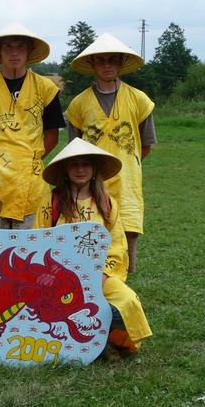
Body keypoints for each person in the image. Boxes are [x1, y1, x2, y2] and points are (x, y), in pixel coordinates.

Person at [42, 138, 152, 358]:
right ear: (65, 170)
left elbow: (117, 245)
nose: (80, 169)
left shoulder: (107, 202)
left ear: (94, 169)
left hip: (100, 276)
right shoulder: (50, 202)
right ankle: (76, 343)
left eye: (86, 164)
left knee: (127, 303)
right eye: (74, 164)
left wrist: (102, 275)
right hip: (60, 280)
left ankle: (104, 339)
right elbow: (39, 242)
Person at [65, 32, 157, 273]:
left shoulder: (139, 100)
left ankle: (122, 293)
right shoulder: (78, 104)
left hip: (127, 183)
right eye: (101, 60)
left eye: (112, 60)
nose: (107, 65)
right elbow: (73, 152)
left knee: (126, 240)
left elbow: (144, 146)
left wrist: (123, 165)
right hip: (89, 183)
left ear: (120, 64)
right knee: (89, 239)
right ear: (92, 64)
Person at [0, 21, 66, 230]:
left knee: (30, 250)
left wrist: (27, 159)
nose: (14, 53)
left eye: (20, 46)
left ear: (29, 50)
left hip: (31, 180)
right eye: (8, 47)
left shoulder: (46, 89)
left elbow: (52, 135)